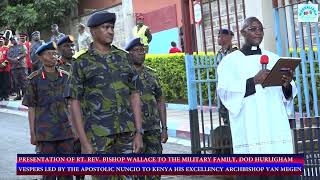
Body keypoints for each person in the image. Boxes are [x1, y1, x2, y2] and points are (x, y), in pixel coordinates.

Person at [64, 11, 144, 179]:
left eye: (112, 27)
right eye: (105, 27)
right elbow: (74, 102)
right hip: (98, 136)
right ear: (93, 31)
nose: (110, 31)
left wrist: (138, 133)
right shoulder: (81, 62)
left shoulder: (124, 58)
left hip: (126, 134)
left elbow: (135, 95)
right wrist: (84, 143)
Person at [217, 17, 296, 154]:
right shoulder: (230, 62)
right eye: (253, 29)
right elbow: (225, 92)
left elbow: (288, 95)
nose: (258, 32)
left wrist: (286, 84)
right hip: (248, 121)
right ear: (242, 33)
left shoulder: (274, 58)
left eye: (260, 29)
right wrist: (253, 81)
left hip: (274, 120)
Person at [22, 41, 74, 180]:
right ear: (40, 57)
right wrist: (33, 134)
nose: (53, 56)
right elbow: (31, 107)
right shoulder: (34, 79)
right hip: (45, 135)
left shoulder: (66, 77)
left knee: (67, 173)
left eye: (54, 53)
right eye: (48, 54)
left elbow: (72, 105)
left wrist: (76, 130)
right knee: (49, 173)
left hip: (66, 132)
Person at [125, 37, 167, 179]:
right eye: (136, 50)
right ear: (129, 53)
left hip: (153, 129)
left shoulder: (152, 74)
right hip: (132, 131)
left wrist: (164, 128)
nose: (140, 53)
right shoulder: (123, 75)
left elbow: (160, 100)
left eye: (142, 50)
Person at [216, 29, 238, 125]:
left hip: (233, 89)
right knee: (224, 116)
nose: (218, 39)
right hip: (222, 89)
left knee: (234, 117)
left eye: (220, 36)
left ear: (228, 37)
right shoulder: (219, 54)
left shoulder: (235, 53)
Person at [7, 36, 27, 100]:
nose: (13, 41)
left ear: (17, 39)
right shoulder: (10, 48)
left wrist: (18, 58)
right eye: (12, 40)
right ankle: (18, 95)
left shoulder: (22, 46)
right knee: (16, 82)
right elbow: (8, 56)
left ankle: (25, 95)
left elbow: (25, 53)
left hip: (22, 66)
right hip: (14, 67)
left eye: (14, 39)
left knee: (24, 81)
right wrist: (12, 60)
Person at [0, 36, 10, 101]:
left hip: (6, 68)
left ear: (4, 41)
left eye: (1, 40)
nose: (0, 41)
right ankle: (1, 95)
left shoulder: (7, 49)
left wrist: (3, 64)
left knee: (6, 82)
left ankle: (6, 95)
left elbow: (9, 57)